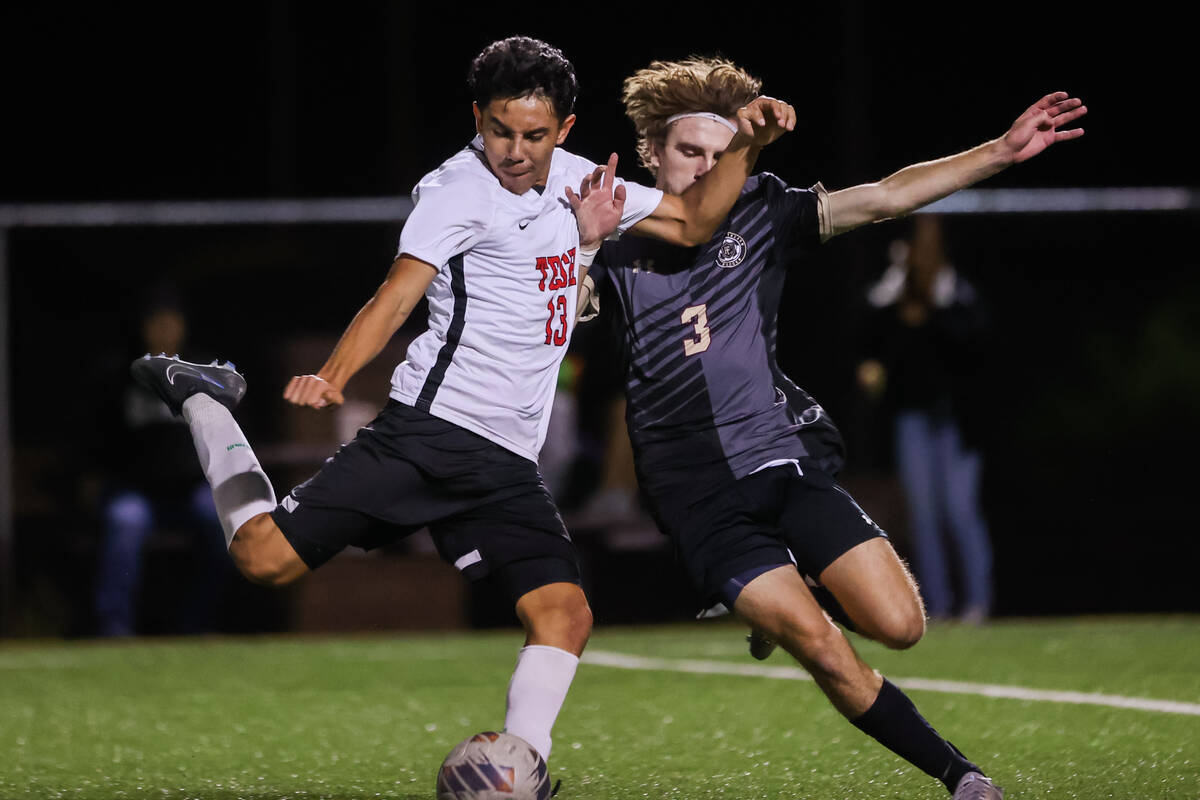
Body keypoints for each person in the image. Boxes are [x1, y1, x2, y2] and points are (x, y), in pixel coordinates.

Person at [129, 37, 794, 767]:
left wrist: (745, 147)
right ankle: (206, 399)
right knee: (262, 561)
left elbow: (694, 222)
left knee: (564, 616)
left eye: (533, 135)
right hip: (427, 437)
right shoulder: (454, 192)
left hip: (507, 464)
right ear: (478, 118)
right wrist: (335, 374)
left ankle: (519, 771)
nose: (513, 149)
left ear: (564, 131)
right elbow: (395, 296)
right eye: (499, 130)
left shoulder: (580, 183)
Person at [577, 56, 1085, 799]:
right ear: (652, 154)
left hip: (778, 461)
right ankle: (962, 779)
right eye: (691, 152)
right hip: (695, 494)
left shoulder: (763, 208)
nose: (709, 168)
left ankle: (782, 581)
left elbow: (884, 197)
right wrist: (581, 248)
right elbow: (541, 325)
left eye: (723, 154)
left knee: (900, 625)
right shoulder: (613, 234)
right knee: (820, 642)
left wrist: (1001, 151)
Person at [858, 215, 995, 623]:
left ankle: (978, 603)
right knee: (922, 515)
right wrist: (897, 286)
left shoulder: (957, 291)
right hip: (912, 419)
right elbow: (866, 334)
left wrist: (937, 307)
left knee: (959, 510)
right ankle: (937, 603)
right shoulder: (896, 293)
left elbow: (976, 345)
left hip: (957, 424)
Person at [92, 293, 230, 636]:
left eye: (172, 320)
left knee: (221, 522)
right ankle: (114, 629)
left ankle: (198, 626)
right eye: (156, 321)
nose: (165, 329)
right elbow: (96, 438)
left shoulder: (202, 373)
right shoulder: (121, 374)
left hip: (192, 493)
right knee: (124, 521)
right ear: (143, 327)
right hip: (136, 493)